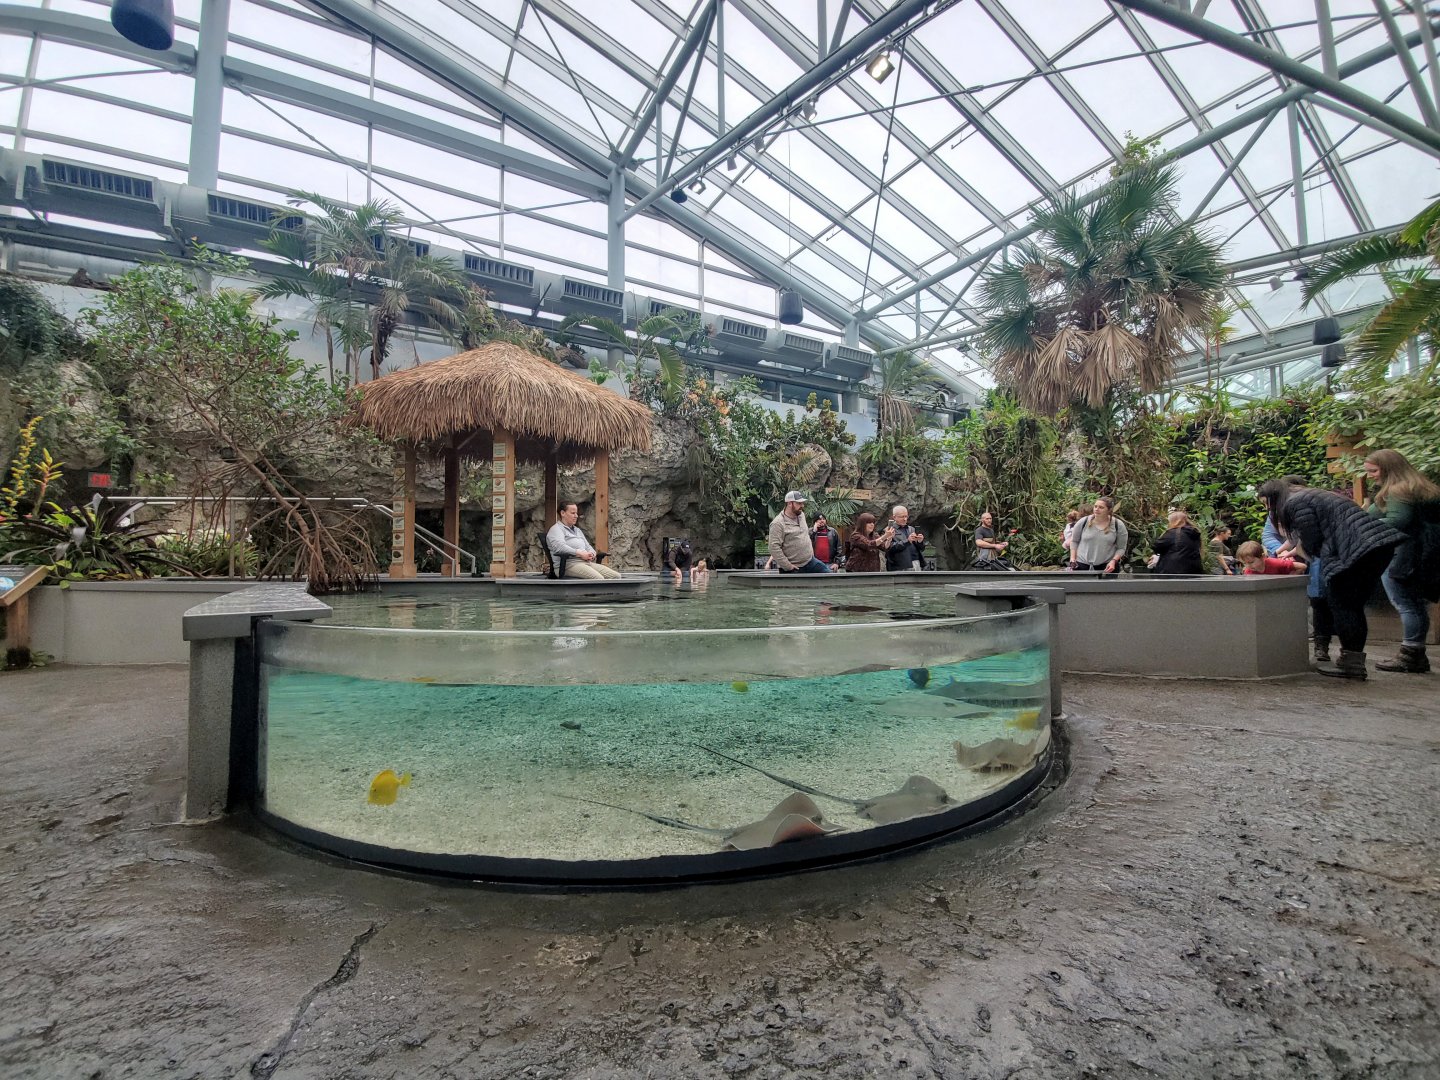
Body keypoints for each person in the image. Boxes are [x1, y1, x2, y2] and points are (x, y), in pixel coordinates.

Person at [1258, 477, 1403, 680]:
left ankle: (1351, 664)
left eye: (1267, 504)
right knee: (1351, 606)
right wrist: (1296, 551)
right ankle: (1352, 661)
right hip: (1374, 546)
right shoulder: (1309, 495)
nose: (1268, 510)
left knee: (1342, 604)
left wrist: (1300, 553)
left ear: (1274, 497)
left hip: (1356, 549)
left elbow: (1311, 537)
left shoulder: (1294, 502)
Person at [1363, 448, 1440, 673]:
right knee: (1415, 603)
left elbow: (1398, 520)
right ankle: (1415, 653)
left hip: (1404, 554)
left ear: (1389, 468)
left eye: (1374, 471)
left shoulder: (1398, 490)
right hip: (1423, 553)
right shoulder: (1420, 486)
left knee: (1405, 603)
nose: (1370, 476)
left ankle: (1410, 655)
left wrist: (1367, 527)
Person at [546, 502, 622, 580]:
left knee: (616, 576)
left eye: (576, 513)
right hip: (568, 566)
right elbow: (560, 547)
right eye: (573, 513)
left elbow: (587, 546)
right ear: (563, 513)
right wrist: (580, 553)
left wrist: (592, 554)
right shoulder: (556, 529)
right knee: (598, 578)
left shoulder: (577, 530)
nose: (576, 516)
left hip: (586, 563)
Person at [767, 490, 830, 574]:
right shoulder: (778, 523)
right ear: (789, 503)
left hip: (810, 561)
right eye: (799, 503)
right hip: (793, 567)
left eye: (802, 503)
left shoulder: (801, 515)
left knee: (830, 576)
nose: (802, 505)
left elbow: (804, 534)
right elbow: (774, 548)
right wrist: (788, 566)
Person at [1069, 497, 1129, 575]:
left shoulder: (1118, 525)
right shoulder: (1084, 522)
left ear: (1109, 510)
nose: (1097, 509)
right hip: (1081, 565)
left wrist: (1113, 561)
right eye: (1095, 506)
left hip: (1107, 567)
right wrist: (1072, 559)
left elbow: (1121, 548)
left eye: (1101, 507)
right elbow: (1074, 541)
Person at [1149, 510, 1203, 574]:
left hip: (1173, 571)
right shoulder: (1194, 533)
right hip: (1193, 571)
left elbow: (1156, 546)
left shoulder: (1172, 533)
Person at [884, 505, 926, 571]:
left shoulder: (911, 529)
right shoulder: (889, 530)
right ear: (894, 517)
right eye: (902, 517)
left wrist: (920, 542)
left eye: (906, 516)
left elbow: (921, 549)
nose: (905, 519)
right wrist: (907, 541)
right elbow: (890, 548)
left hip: (916, 562)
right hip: (899, 566)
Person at [1235, 540, 1306, 575]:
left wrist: (1290, 579)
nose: (1248, 566)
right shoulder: (1248, 572)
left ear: (1263, 557)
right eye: (1244, 563)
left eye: (1251, 562)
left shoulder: (1276, 563)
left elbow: (1303, 566)